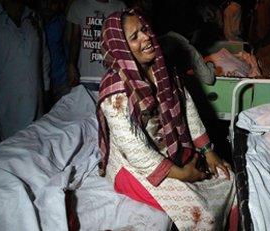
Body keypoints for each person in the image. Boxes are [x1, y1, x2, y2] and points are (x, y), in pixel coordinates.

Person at [96, 10, 237, 230]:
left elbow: (187, 107)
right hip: (134, 166)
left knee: (230, 180)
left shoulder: (162, 68)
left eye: (144, 30)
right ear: (121, 48)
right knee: (203, 216)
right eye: (135, 37)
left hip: (168, 150)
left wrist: (208, 151)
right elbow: (135, 150)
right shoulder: (116, 91)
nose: (146, 37)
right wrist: (182, 174)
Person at [0, 0, 49, 141]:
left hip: (35, 100)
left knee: (37, 147)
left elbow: (44, 56)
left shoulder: (33, 18)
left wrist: (46, 87)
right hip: (6, 105)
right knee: (13, 152)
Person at [66, 0, 126, 85]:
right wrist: (71, 65)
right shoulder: (79, 5)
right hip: (85, 75)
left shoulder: (119, 6)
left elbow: (123, 41)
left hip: (113, 75)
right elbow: (75, 39)